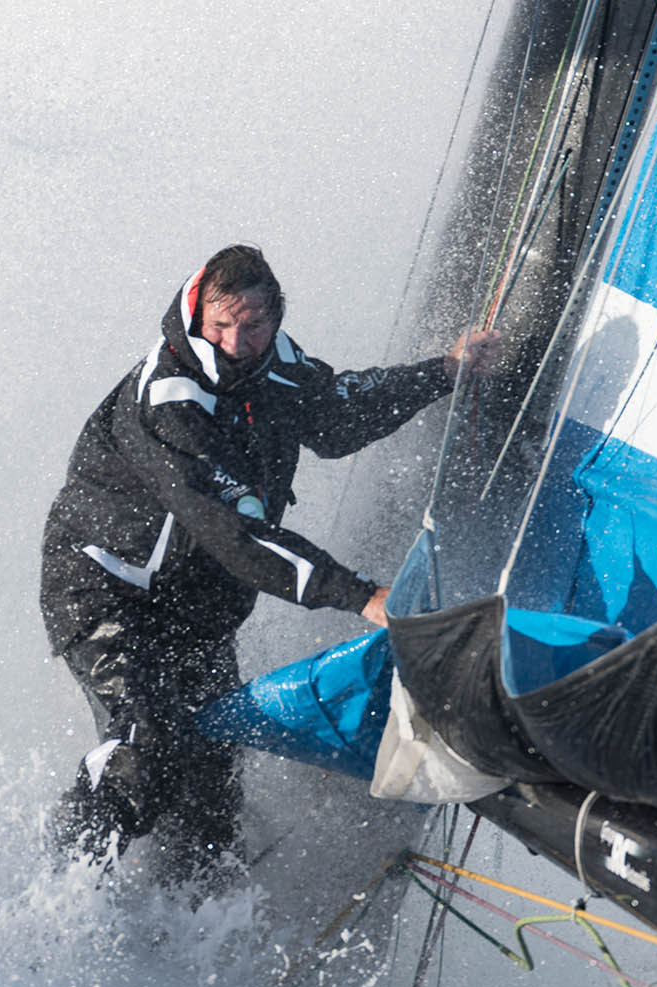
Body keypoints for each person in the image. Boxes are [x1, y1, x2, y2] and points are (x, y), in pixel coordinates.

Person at [39, 244, 501, 885]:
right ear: (197, 313)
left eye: (253, 324)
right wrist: (358, 594)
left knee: (208, 779)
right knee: (145, 749)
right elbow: (232, 531)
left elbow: (338, 417)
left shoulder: (275, 366)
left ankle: (187, 925)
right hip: (108, 592)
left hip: (193, 605)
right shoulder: (168, 398)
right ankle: (51, 904)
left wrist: (445, 371)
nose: (236, 341)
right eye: (222, 324)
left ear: (275, 317)